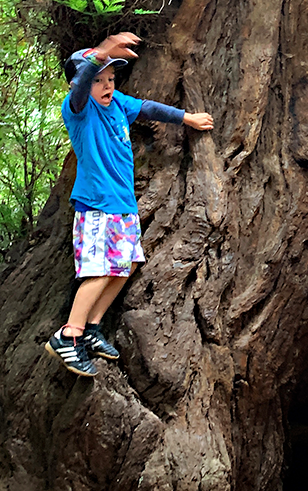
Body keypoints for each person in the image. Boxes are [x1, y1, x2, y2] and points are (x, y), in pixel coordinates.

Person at [44, 33, 214, 377]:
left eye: (110, 78)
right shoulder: (78, 109)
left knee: (127, 265)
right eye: (98, 80)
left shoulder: (118, 103)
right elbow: (78, 92)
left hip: (123, 206)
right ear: (83, 83)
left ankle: (91, 327)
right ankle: (68, 335)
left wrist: (187, 118)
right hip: (96, 204)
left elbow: (149, 107)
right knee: (98, 270)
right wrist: (99, 55)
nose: (106, 85)